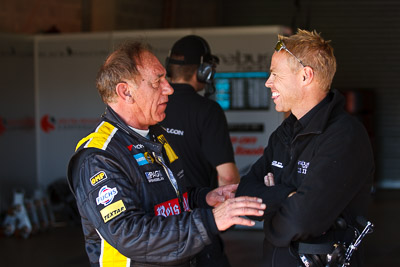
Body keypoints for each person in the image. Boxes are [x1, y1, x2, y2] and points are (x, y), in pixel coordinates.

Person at [67, 41, 266, 267]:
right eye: (156, 82)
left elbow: (169, 199)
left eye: (165, 78)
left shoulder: (155, 135)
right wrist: (210, 221)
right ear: (126, 92)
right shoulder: (99, 157)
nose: (169, 88)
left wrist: (203, 198)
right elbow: (130, 234)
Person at [236, 29, 374, 267]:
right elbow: (243, 196)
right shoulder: (283, 133)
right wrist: (285, 196)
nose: (268, 82)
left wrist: (269, 214)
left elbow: (301, 221)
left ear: (305, 76)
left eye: (275, 74)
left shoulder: (344, 137)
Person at [160, 35, 240, 266]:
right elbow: (227, 176)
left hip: (158, 224)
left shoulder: (153, 106)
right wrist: (228, 215)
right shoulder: (208, 111)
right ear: (204, 71)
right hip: (199, 222)